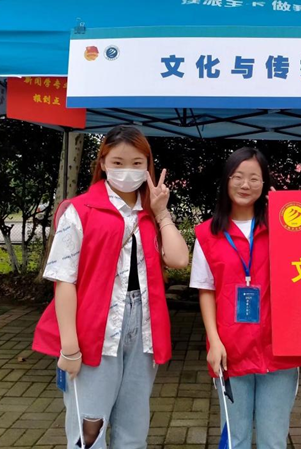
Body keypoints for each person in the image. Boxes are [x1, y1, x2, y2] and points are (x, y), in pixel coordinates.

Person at [33, 125, 189, 449]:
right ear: (103, 163)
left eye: (137, 163)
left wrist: (161, 212)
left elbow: (178, 259)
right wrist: (69, 347)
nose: (127, 171)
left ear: (147, 166)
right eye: (118, 162)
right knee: (89, 431)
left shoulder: (150, 213)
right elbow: (64, 280)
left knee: (134, 429)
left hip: (143, 329)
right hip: (93, 332)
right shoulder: (79, 211)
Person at [190, 147, 301, 449]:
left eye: (254, 178)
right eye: (238, 177)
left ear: (264, 184)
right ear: (227, 180)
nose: (245, 185)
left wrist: (291, 213)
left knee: (273, 440)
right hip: (230, 351)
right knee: (236, 439)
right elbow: (206, 290)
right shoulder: (208, 234)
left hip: (279, 350)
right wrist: (214, 341)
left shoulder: (284, 229)